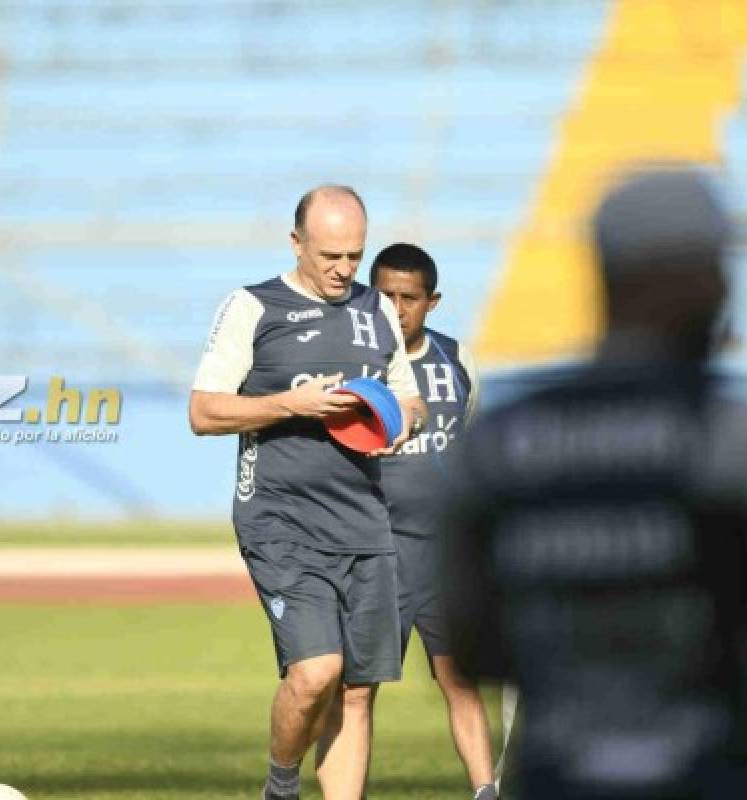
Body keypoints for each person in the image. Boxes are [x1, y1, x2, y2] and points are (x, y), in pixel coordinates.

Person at [441, 166, 747, 799]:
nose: (728, 284)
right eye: (715, 266)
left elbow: (471, 648)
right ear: (685, 280)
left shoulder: (501, 441)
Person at [189, 185, 426, 800]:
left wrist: (399, 421)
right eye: (330, 257)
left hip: (365, 521)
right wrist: (288, 404)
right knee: (317, 669)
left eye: (355, 255)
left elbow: (408, 395)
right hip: (281, 520)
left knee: (355, 688)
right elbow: (203, 411)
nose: (345, 270)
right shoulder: (252, 308)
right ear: (296, 243)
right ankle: (281, 785)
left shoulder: (376, 310)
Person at [369, 243, 499, 800]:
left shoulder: (456, 360)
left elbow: (471, 446)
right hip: (376, 552)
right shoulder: (354, 366)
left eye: (409, 298)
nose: (396, 308)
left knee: (460, 681)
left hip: (444, 558)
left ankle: (485, 790)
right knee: (358, 689)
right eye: (385, 296)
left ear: (432, 301)